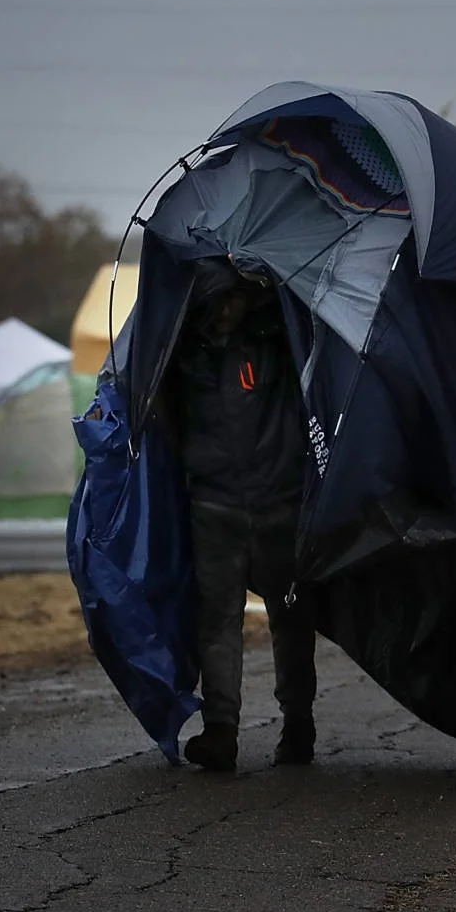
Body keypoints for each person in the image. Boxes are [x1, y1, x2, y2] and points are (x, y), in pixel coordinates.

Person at [161, 258, 316, 772]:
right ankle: (228, 730)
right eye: (218, 303)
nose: (225, 312)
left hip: (267, 500)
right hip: (226, 502)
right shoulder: (195, 351)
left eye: (232, 300)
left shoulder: (267, 338)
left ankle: (290, 726)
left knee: (278, 619)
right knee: (233, 620)